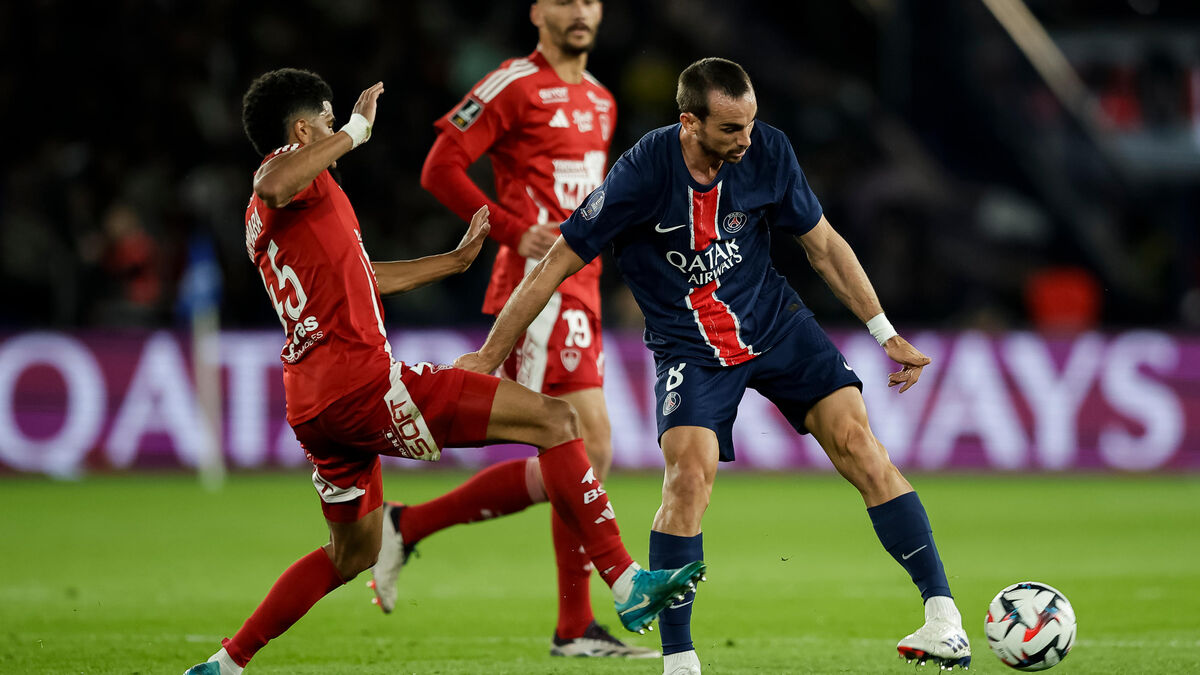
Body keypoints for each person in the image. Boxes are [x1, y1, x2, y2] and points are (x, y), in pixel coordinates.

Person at [454, 57, 972, 675]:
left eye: (751, 123)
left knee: (860, 443)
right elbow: (556, 264)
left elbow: (824, 246)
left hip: (775, 323)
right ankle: (680, 660)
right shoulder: (643, 173)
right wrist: (489, 355)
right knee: (688, 477)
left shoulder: (768, 152)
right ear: (689, 123)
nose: (746, 139)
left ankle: (944, 620)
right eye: (730, 129)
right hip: (689, 348)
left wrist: (883, 331)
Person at [182, 67, 706, 675]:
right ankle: (624, 582)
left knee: (353, 553)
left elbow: (362, 277)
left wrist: (453, 263)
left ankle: (226, 662)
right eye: (325, 121)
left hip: (313, 403)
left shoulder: (293, 209)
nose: (335, 132)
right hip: (360, 383)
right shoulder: (283, 180)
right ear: (303, 130)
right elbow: (273, 181)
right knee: (557, 420)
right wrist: (355, 130)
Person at [367, 0, 652, 660]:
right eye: (564, 0)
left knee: (585, 452)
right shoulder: (511, 84)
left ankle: (409, 525)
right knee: (578, 443)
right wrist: (515, 231)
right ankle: (574, 623)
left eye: (589, 0)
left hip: (582, 289)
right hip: (537, 289)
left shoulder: (603, 101)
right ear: (537, 12)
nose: (579, 11)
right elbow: (439, 166)